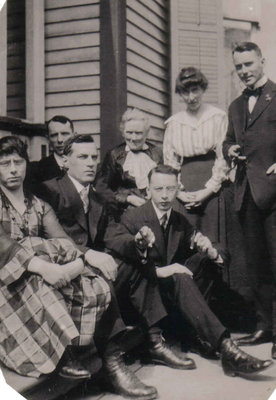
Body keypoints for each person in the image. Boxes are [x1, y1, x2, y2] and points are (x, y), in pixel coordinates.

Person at [0, 135, 159, 400]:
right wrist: (42, 266)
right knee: (39, 277)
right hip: (7, 281)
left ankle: (110, 360)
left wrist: (76, 264)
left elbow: (63, 241)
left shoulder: (37, 204)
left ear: (26, 165)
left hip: (42, 273)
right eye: (5, 163)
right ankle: (65, 354)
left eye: (18, 162)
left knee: (92, 279)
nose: (13, 169)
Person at [39, 135, 194, 377]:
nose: (91, 163)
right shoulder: (50, 190)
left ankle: (154, 340)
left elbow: (113, 233)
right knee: (103, 271)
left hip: (90, 268)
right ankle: (112, 362)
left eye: (94, 157)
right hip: (61, 271)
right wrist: (89, 254)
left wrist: (137, 242)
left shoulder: (98, 197)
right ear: (66, 161)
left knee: (135, 262)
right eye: (82, 157)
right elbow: (49, 237)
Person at [104, 164, 272, 377]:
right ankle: (226, 349)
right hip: (139, 298)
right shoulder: (133, 217)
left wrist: (210, 250)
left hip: (167, 295)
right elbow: (120, 251)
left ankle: (217, 345)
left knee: (201, 262)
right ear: (148, 190)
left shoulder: (178, 220)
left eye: (170, 189)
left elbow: (215, 247)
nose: (165, 195)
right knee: (180, 275)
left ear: (177, 189)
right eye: (158, 189)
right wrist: (159, 269)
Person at [223, 42, 276, 357]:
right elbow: (229, 138)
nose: (244, 71)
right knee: (256, 266)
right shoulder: (235, 106)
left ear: (262, 61)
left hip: (274, 193)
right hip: (246, 193)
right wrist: (227, 148)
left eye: (248, 64)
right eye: (239, 66)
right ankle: (264, 325)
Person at [163, 67, 229, 245]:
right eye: (185, 92)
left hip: (213, 186)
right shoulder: (174, 123)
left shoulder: (217, 117)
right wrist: (180, 193)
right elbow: (170, 163)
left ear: (203, 89)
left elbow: (223, 158)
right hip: (185, 187)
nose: (191, 97)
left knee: (213, 239)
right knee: (187, 239)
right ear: (180, 94)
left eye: (195, 90)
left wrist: (207, 191)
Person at [95, 108, 163, 220]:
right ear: (123, 132)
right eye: (129, 133)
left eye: (138, 133)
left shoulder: (157, 153)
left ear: (146, 133)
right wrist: (127, 198)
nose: (133, 138)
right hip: (124, 214)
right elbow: (102, 188)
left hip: (154, 211)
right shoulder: (114, 155)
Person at [28, 115, 75, 195]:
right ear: (48, 138)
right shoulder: (38, 170)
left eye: (64, 134)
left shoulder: (84, 165)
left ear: (74, 136)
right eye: (54, 135)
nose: (60, 140)